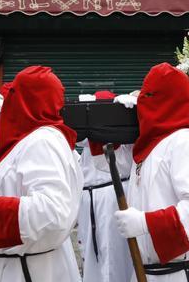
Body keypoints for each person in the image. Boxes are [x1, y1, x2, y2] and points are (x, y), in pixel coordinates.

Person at [0, 66, 83, 282]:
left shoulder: (42, 142)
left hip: (26, 271)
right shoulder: (33, 141)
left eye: (13, 94)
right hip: (19, 266)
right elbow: (14, 183)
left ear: (25, 101)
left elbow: (53, 214)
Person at [110, 62, 189, 282]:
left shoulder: (187, 143)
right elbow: (103, 165)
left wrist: (145, 223)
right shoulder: (149, 146)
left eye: (150, 95)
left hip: (182, 273)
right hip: (146, 272)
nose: (143, 103)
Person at [76, 90, 135, 282]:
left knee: (115, 257)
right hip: (90, 199)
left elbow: (123, 164)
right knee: (93, 257)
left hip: (113, 197)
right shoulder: (87, 136)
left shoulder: (124, 136)